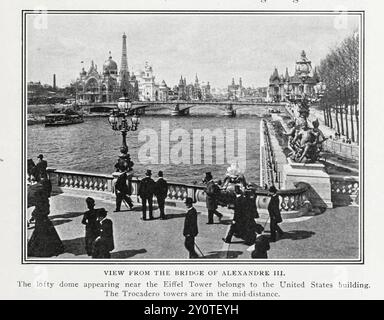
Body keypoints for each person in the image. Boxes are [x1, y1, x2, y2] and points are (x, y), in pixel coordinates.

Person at [27, 173, 64, 257]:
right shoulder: (45, 200)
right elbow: (46, 210)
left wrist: (34, 216)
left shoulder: (39, 198)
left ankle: (42, 249)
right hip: (44, 218)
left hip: (40, 219)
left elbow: (39, 209)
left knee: (39, 234)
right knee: (46, 234)